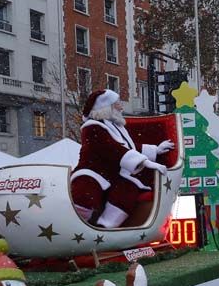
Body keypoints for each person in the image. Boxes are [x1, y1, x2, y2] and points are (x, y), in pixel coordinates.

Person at [71, 88, 174, 228]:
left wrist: (155, 150)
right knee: (87, 193)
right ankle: (78, 226)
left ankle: (106, 227)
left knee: (129, 188)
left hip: (113, 174)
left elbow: (128, 147)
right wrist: (146, 162)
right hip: (94, 172)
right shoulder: (92, 127)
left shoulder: (116, 127)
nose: (121, 106)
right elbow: (113, 149)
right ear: (107, 107)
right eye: (118, 103)